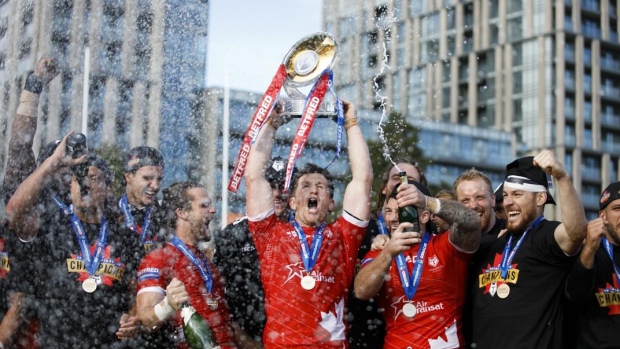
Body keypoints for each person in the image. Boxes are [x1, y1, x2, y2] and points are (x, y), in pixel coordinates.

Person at [244, 99, 372, 347]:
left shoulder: (344, 236)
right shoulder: (270, 233)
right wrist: (272, 124)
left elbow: (363, 179)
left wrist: (352, 124)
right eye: (305, 186)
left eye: (321, 187)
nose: (314, 188)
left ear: (331, 203)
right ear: (292, 202)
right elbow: (253, 177)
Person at [5, 133, 140, 348]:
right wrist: (51, 164)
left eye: (93, 178)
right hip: (59, 342)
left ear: (107, 187)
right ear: (70, 187)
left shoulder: (126, 237)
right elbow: (14, 211)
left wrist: (133, 319)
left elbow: (136, 294)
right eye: (78, 179)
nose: (84, 185)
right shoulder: (52, 227)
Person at [470, 151, 587, 348]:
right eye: (506, 195)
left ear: (540, 198)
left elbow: (575, 232)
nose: (507, 202)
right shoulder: (494, 243)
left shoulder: (544, 236)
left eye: (517, 194)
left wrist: (561, 177)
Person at [354, 179, 481, 347]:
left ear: (424, 215)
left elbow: (472, 221)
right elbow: (361, 291)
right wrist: (388, 253)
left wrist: (427, 201)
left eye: (400, 210)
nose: (392, 218)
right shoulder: (381, 252)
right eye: (388, 211)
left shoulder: (446, 246)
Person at [136, 181, 236, 348]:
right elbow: (145, 319)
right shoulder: (158, 258)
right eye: (204, 206)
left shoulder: (206, 262)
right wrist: (167, 305)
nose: (213, 210)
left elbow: (225, 323)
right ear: (182, 213)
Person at [213, 156, 295, 348]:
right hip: (241, 336)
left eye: (283, 186)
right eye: (270, 185)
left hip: (291, 338)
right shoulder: (233, 234)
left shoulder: (306, 234)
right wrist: (243, 340)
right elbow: (215, 295)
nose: (276, 193)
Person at [348, 158, 427, 349]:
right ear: (384, 188)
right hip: (363, 333)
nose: (402, 184)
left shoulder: (431, 230)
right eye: (396, 178)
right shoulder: (363, 228)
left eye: (409, 180)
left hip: (410, 333)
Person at [452, 168, 506, 346]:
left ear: (492, 200)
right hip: (463, 339)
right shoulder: (450, 241)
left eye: (480, 197)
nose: (472, 205)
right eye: (465, 200)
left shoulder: (512, 235)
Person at [564, 181, 620, 347]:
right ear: (603, 217)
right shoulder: (589, 251)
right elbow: (574, 295)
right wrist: (589, 249)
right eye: (617, 209)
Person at [2, 57, 61, 205]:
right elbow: (20, 145)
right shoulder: (33, 199)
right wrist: (34, 86)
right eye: (58, 162)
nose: (65, 168)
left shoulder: (104, 208)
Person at [119, 145, 165, 254]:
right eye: (147, 178)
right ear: (129, 177)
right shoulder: (109, 213)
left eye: (159, 179)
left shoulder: (165, 217)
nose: (155, 186)